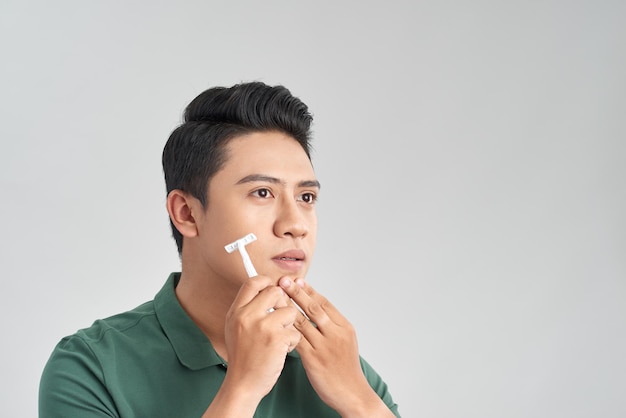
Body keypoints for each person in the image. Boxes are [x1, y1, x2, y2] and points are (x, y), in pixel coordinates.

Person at [39, 81, 401, 417]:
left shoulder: (340, 367)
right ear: (187, 213)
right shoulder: (91, 367)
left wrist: (359, 399)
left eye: (306, 197)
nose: (296, 224)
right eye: (262, 192)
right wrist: (242, 388)